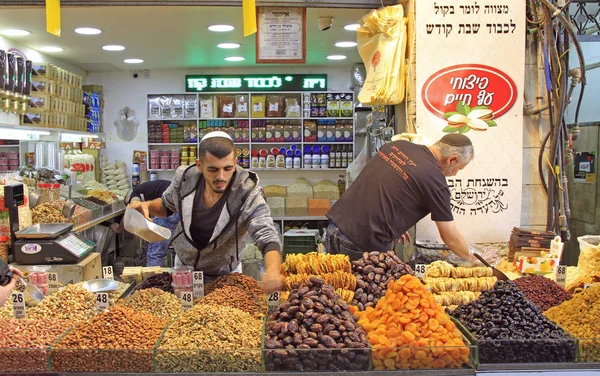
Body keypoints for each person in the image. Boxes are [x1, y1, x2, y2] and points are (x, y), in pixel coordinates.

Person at [128, 131, 282, 292]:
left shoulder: (247, 191)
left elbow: (266, 233)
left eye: (228, 168)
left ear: (235, 163)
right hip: (185, 270)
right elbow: (167, 206)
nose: (221, 177)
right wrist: (148, 206)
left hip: (225, 275)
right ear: (199, 165)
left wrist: (272, 270)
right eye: (213, 169)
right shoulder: (185, 178)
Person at [325, 133, 477, 263]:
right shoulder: (436, 182)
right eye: (459, 169)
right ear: (452, 160)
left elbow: (385, 183)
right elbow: (450, 236)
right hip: (361, 244)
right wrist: (472, 259)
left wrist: (393, 219)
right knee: (358, 295)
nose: (455, 174)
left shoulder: (398, 146)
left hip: (336, 226)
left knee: (338, 288)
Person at [125, 180, 180, 267]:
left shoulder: (135, 193)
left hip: (169, 210)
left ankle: (153, 277)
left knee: (155, 252)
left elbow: (134, 205)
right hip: (180, 208)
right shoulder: (146, 188)